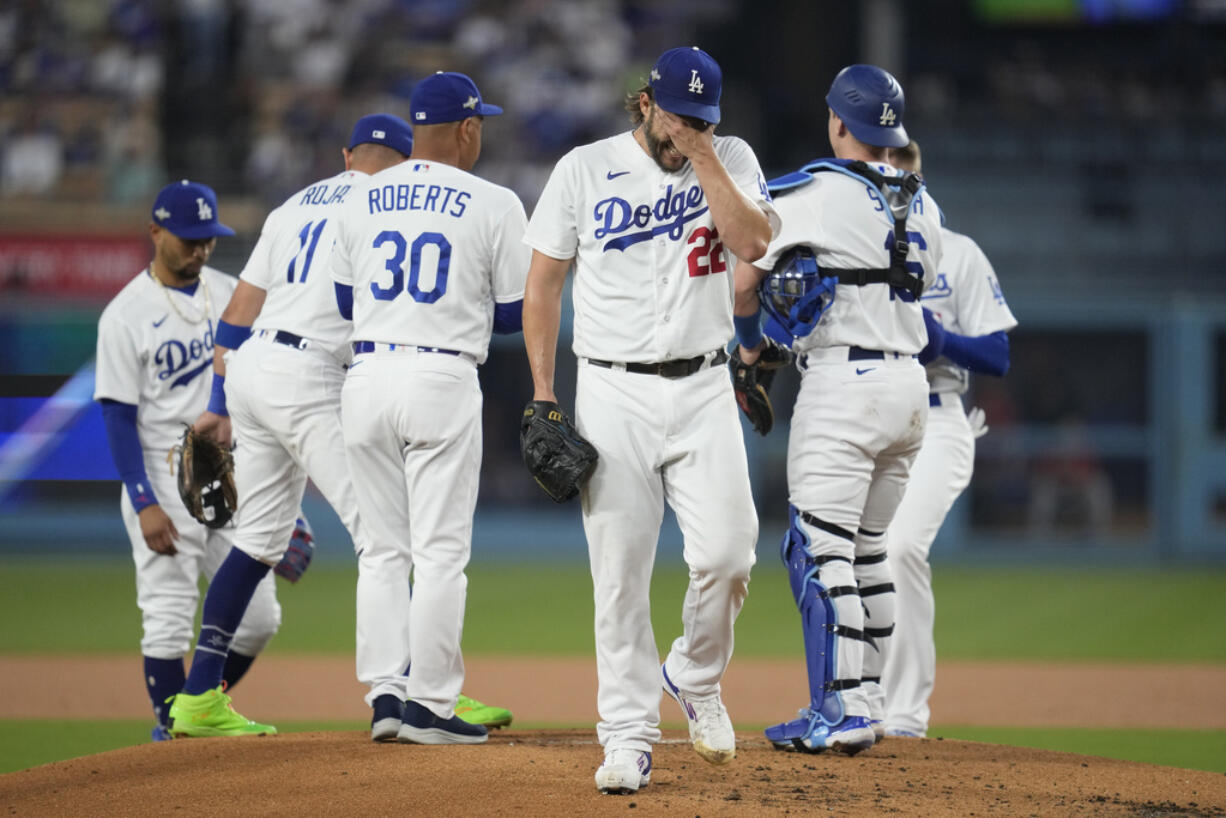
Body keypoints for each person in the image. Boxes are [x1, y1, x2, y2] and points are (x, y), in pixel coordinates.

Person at [522, 46, 775, 794]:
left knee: (730, 556)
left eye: (700, 120)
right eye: (674, 117)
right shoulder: (582, 167)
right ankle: (628, 736)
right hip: (611, 390)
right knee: (621, 576)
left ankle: (695, 677)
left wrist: (702, 153)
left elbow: (753, 243)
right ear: (643, 102)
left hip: (703, 385)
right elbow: (542, 286)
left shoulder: (728, 158)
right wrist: (544, 392)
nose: (685, 132)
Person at [732, 64, 943, 755]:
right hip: (911, 388)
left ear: (839, 122)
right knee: (869, 551)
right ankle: (872, 702)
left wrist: (749, 348)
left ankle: (839, 712)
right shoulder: (924, 200)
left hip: (843, 385)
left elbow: (745, 279)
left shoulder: (814, 190)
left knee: (819, 553)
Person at [330, 72, 529, 745]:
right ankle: (432, 707)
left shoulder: (360, 197)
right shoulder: (495, 201)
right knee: (440, 554)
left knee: (382, 552)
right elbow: (509, 316)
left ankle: (385, 696)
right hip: (440, 377)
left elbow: (342, 304)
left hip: (364, 377)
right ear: (469, 129)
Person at [94, 180, 281, 742]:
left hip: (230, 477)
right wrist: (143, 501)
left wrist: (282, 507)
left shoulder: (231, 292)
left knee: (259, 620)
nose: (201, 249)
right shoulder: (124, 315)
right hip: (161, 475)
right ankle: (169, 733)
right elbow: (117, 417)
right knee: (168, 617)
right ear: (156, 232)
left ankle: (196, 706)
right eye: (189, 238)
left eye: (208, 238)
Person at [879, 139, 1017, 739]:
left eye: (903, 178)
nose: (894, 189)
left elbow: (998, 354)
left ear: (919, 179)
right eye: (883, 179)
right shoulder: (848, 254)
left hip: (939, 418)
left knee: (901, 547)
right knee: (849, 557)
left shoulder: (957, 254)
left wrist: (944, 343)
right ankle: (856, 701)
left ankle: (906, 714)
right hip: (867, 415)